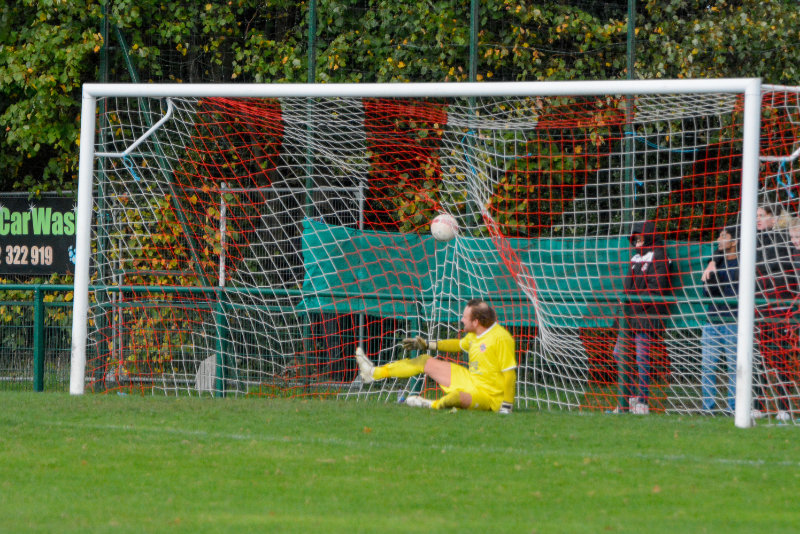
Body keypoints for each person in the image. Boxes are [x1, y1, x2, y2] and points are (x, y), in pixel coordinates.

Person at [353, 299, 517, 413]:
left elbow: (509, 374)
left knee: (456, 398)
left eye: (464, 317)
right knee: (424, 361)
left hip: (489, 397)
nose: (461, 320)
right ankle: (373, 373)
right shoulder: (475, 334)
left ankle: (430, 404)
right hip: (470, 380)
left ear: (476, 322)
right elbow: (458, 345)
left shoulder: (501, 338)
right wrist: (427, 344)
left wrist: (507, 406)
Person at [612, 221, 673, 414]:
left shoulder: (659, 256)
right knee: (619, 353)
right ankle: (629, 398)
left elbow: (657, 288)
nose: (637, 243)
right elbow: (627, 288)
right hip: (630, 316)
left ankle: (642, 402)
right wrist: (623, 308)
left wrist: (633, 305)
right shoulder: (635, 259)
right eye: (635, 240)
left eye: (640, 239)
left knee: (641, 358)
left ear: (648, 237)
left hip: (647, 316)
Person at [699, 226, 739, 414]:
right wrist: (709, 280)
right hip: (712, 321)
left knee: (735, 368)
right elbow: (706, 292)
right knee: (707, 367)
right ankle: (707, 408)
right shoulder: (715, 262)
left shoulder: (744, 264)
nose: (718, 240)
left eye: (723, 236)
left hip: (734, 322)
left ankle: (733, 408)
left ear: (735, 241)